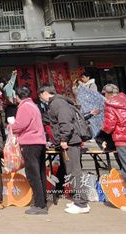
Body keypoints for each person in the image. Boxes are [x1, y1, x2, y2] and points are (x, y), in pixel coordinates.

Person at [38, 85, 90, 214]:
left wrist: (64, 139)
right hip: (69, 141)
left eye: (40, 95)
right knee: (71, 172)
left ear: (45, 93)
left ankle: (81, 203)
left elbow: (65, 123)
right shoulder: (58, 102)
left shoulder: (58, 103)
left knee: (74, 172)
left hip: (70, 142)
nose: (41, 98)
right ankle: (78, 200)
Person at [101, 84, 126, 213]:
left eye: (104, 94)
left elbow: (109, 126)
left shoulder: (110, 104)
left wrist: (102, 131)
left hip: (122, 140)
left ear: (107, 93)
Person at [10, 86, 47, 215]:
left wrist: (10, 126)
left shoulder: (24, 107)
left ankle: (39, 205)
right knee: (40, 173)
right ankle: (42, 202)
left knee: (33, 175)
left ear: (18, 96)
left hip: (30, 143)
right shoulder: (33, 105)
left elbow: (20, 125)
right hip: (39, 142)